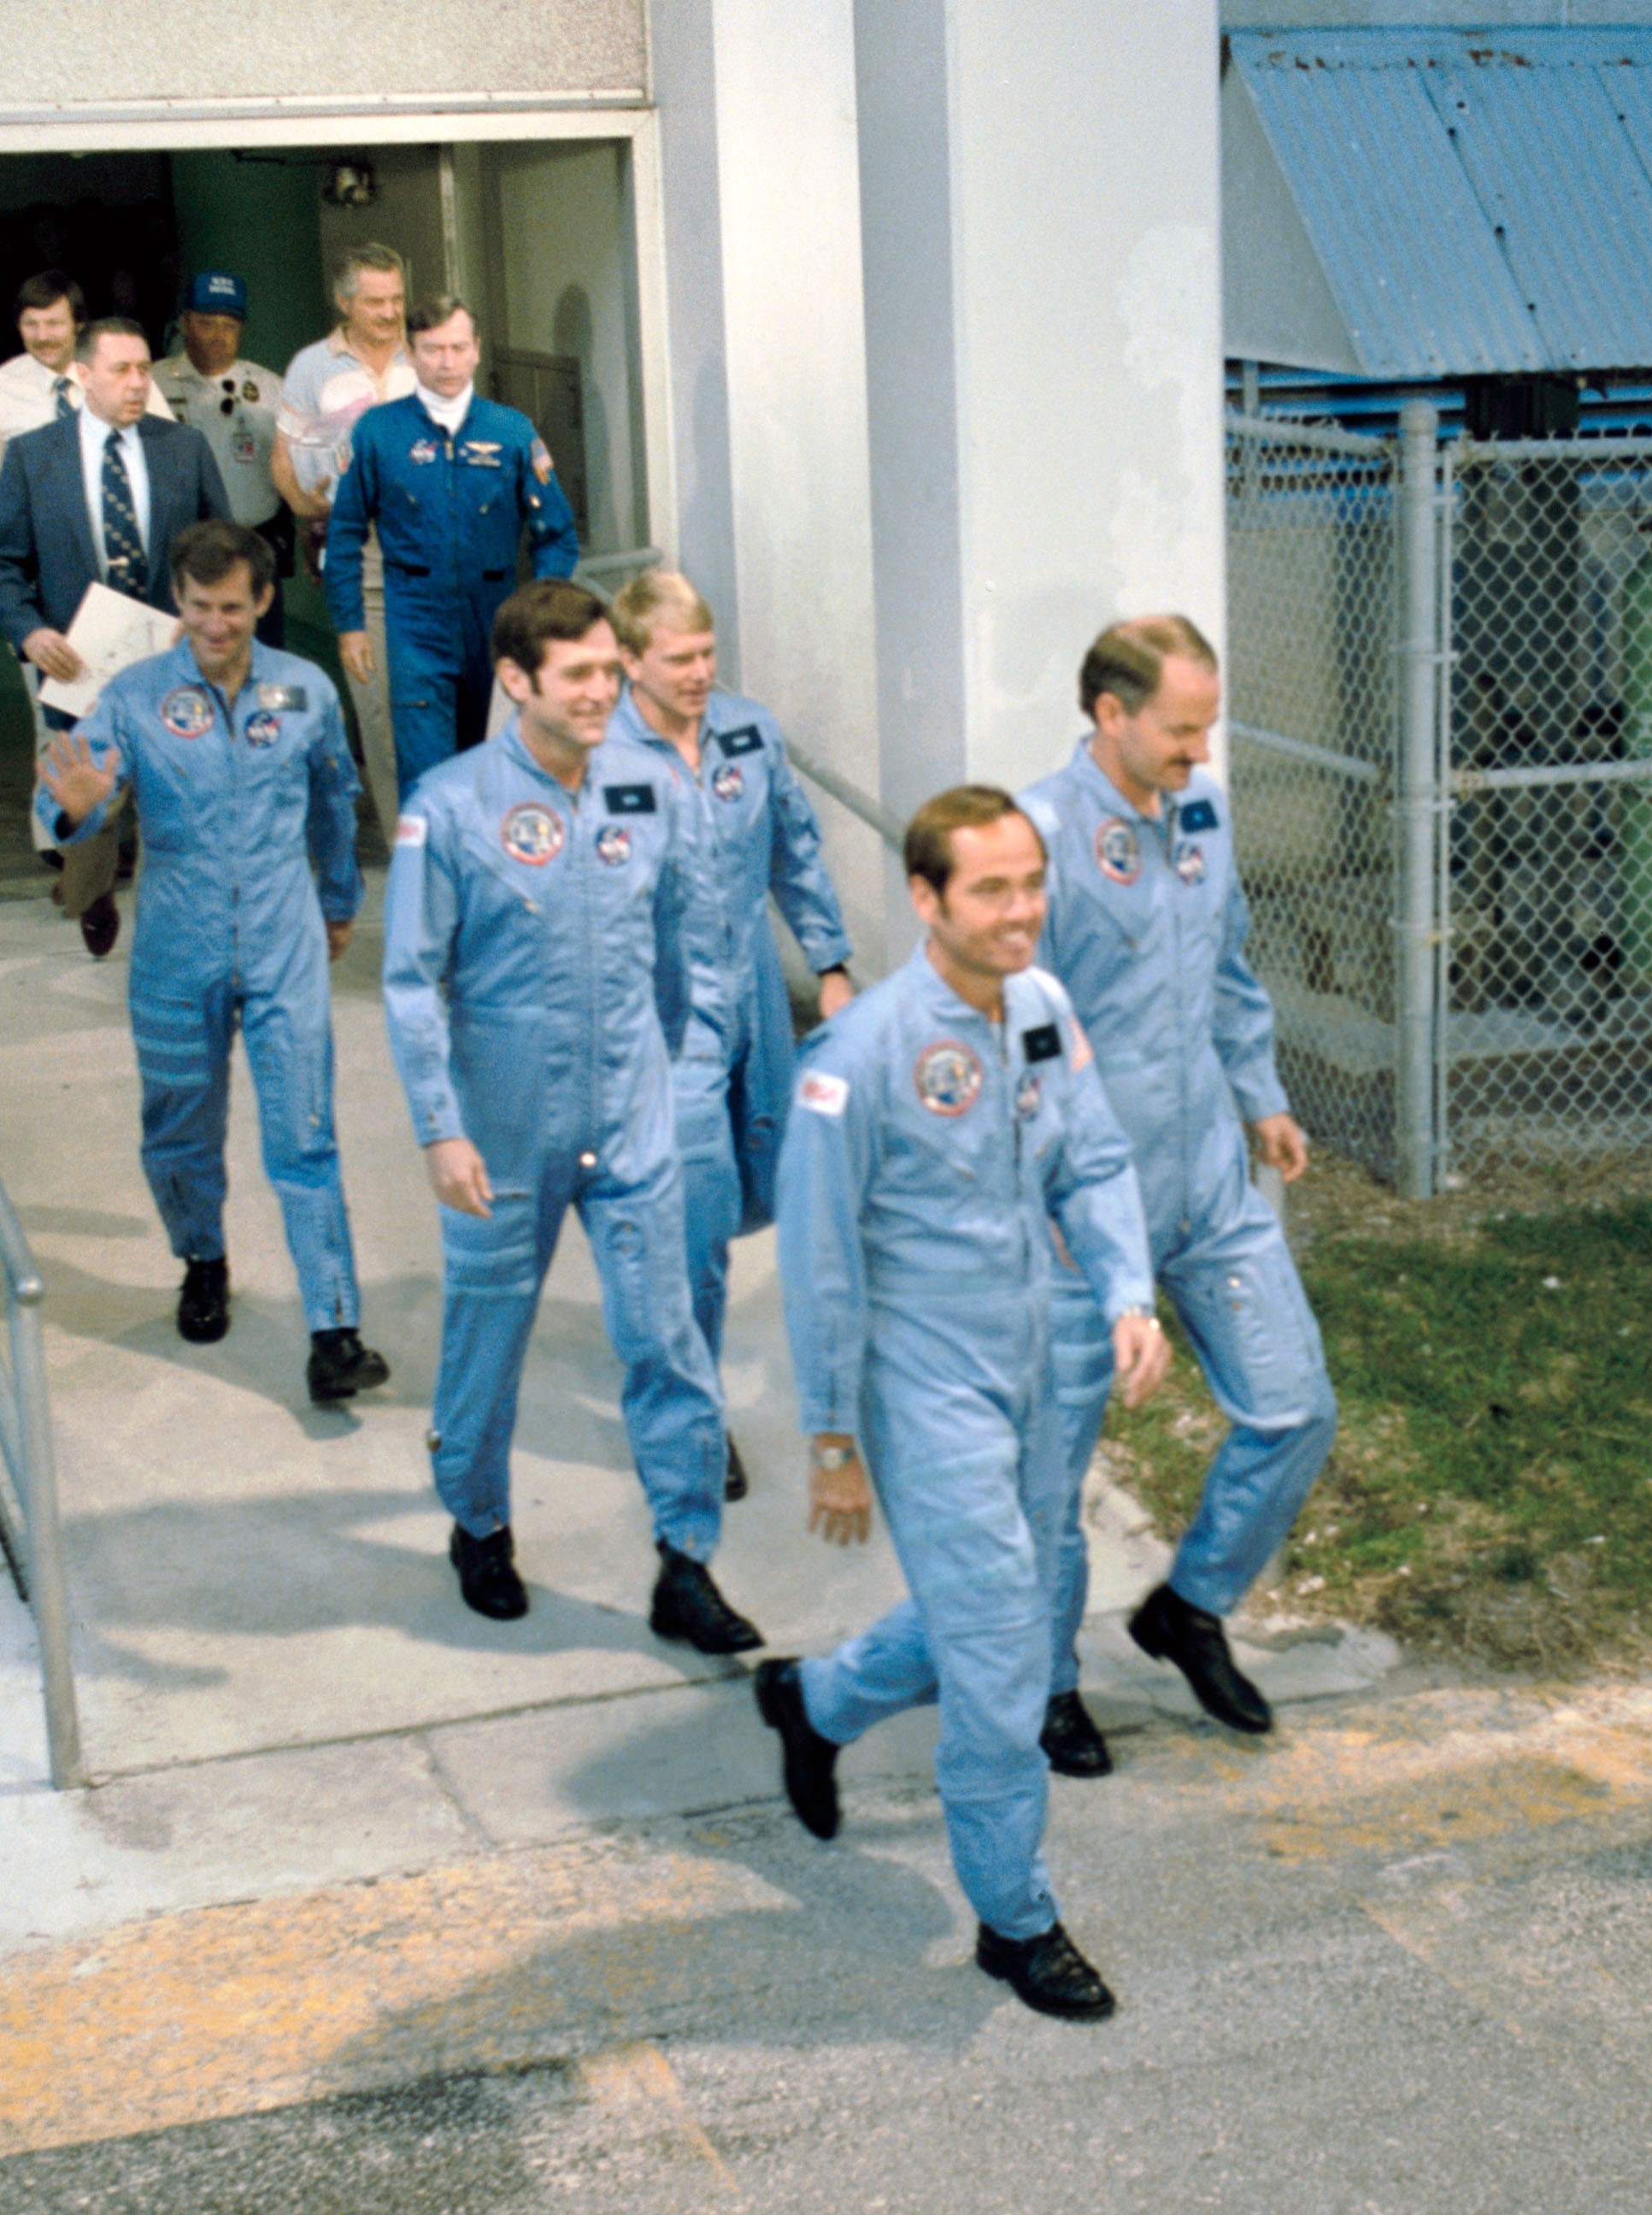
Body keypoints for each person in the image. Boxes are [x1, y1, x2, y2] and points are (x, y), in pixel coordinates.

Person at [754, 788, 1166, 2023]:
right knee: (998, 1653)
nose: (1020, 911)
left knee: (1005, 1597)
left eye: (1031, 883)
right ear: (925, 900)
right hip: (924, 1377)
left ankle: (814, 1701)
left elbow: (1090, 1156)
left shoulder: (1041, 1008)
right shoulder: (860, 1057)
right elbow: (821, 1264)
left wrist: (1129, 1291)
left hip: (1040, 1353)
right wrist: (831, 1436)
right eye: (989, 890)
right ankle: (1015, 1919)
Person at [380, 577, 757, 1654]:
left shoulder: (648, 786)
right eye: (580, 674)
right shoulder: (449, 806)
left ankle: (684, 1563)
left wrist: (675, 1062)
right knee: (488, 1336)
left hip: (633, 1112)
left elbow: (681, 938)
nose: (606, 691)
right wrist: (438, 1127)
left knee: (666, 1335)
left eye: (610, 669)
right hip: (503, 1125)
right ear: (515, 681)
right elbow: (411, 980)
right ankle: (480, 1522)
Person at [1022, 616, 1337, 1776]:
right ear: (1108, 715)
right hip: (1077, 1205)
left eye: (1207, 727)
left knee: (1293, 1405)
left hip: (1207, 1173)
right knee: (1047, 1474)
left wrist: (1259, 1094)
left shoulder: (1198, 811)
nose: (1198, 754)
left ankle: (1187, 1605)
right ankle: (1045, 1689)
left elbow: (1228, 966)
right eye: (1178, 728)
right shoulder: (1037, 840)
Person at [33, 519, 387, 1407]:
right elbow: (89, 787)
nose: (215, 625)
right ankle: (202, 1257)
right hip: (176, 943)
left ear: (263, 600)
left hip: (282, 937)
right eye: (197, 608)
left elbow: (332, 804)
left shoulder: (303, 689)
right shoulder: (136, 694)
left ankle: (334, 1331)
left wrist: (339, 900)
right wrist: (76, 813)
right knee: (178, 1128)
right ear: (177, 604)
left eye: (231, 607)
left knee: (303, 1133)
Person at [606, 571, 854, 1502]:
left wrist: (829, 964)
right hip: (666, 1015)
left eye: (708, 654)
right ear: (630, 661)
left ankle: (667, 1350)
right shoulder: (600, 757)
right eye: (679, 660)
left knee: (763, 1181)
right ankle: (688, 1413)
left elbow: (793, 847)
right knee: (693, 1224)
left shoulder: (749, 729)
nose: (701, 673)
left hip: (751, 992)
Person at [0, 317, 231, 955]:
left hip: (169, 649)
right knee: (89, 784)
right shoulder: (35, 456)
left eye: (145, 368)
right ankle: (91, 895)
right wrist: (30, 631)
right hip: (76, 657)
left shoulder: (183, 447)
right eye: (121, 370)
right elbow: (4, 562)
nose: (136, 382)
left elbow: (222, 545)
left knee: (173, 782)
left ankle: (169, 916)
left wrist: (205, 618)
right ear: (83, 376)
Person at [326, 296, 579, 800]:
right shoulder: (378, 431)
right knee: (427, 778)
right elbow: (344, 533)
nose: (446, 362)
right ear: (411, 353)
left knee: (500, 767)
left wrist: (542, 617)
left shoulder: (511, 431)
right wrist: (350, 624)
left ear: (477, 351)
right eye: (433, 349)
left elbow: (557, 534)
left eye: (458, 348)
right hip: (415, 622)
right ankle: (431, 876)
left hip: (497, 620)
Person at [151, 272, 292, 646]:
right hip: (179, 549)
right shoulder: (154, 384)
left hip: (253, 544)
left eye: (229, 325)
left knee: (262, 655)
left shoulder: (268, 388)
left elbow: (293, 463)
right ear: (185, 323)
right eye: (206, 322)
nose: (218, 334)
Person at [0, 270, 88, 616]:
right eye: (31, 324)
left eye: (54, 323)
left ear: (79, 324)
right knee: (42, 661)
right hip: (35, 564)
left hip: (111, 555)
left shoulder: (114, 373)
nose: (43, 336)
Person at [272, 242, 416, 545]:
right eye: (376, 302)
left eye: (397, 300)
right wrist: (303, 506)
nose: (390, 313)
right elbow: (283, 453)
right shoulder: (311, 366)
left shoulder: (427, 354)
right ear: (343, 302)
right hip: (352, 536)